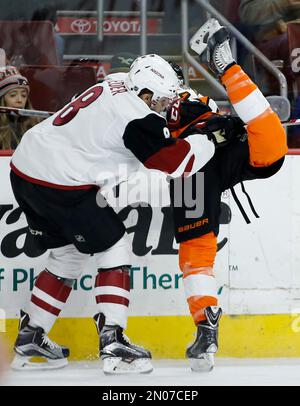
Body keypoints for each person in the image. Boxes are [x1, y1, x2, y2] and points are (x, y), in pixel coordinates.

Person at [9, 54, 216, 374]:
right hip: (60, 182)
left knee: (67, 255)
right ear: (146, 94)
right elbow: (179, 165)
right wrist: (209, 137)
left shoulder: (116, 81)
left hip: (25, 168)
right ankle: (114, 342)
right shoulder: (138, 117)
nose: (163, 106)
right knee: (114, 245)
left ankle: (31, 336)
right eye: (160, 100)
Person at [166, 18, 288, 372]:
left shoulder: (185, 96)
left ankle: (227, 66)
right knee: (197, 250)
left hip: (211, 158)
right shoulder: (141, 103)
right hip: (188, 167)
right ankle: (206, 326)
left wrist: (225, 124)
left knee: (271, 147)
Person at [0, 66, 40, 150]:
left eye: (24, 95)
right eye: (13, 95)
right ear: (2, 99)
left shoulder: (36, 124)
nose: (20, 100)